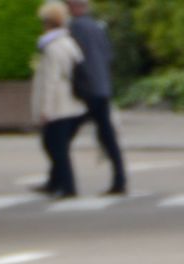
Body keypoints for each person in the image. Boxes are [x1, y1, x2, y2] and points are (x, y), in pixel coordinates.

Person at [67, 0, 127, 195]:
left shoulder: (75, 27)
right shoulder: (97, 26)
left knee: (60, 137)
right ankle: (120, 178)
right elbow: (108, 55)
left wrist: (76, 85)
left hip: (87, 90)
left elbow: (74, 59)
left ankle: (61, 180)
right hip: (102, 87)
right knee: (107, 136)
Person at [31, 3, 86, 199]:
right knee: (57, 146)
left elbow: (50, 81)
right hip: (73, 103)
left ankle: (67, 186)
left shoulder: (52, 47)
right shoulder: (69, 42)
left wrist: (45, 109)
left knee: (54, 146)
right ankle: (55, 182)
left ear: (47, 23)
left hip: (59, 106)